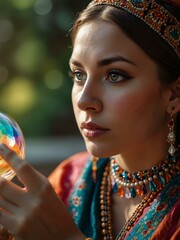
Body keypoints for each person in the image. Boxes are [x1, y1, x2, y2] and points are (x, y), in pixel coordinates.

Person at [0, 0, 179, 239]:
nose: (85, 100)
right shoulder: (69, 178)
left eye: (114, 75)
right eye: (79, 74)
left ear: (174, 94)